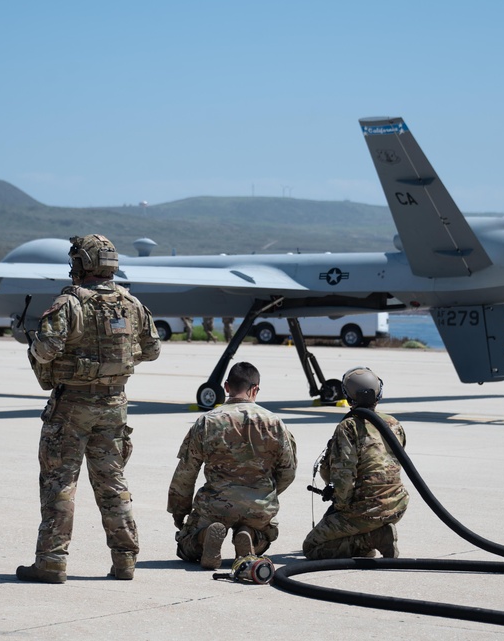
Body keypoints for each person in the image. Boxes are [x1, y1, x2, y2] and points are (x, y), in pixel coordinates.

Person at [17, 234, 161, 584]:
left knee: (60, 482)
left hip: (72, 407)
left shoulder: (70, 303)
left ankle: (52, 561)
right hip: (114, 405)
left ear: (81, 264)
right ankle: (125, 561)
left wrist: (35, 346)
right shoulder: (131, 303)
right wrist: (114, 363)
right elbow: (152, 349)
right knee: (112, 482)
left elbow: (47, 349)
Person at [167, 361, 297, 570]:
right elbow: (288, 471)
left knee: (186, 547)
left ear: (226, 387)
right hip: (258, 506)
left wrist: (179, 511)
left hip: (216, 506)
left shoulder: (207, 422)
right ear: (255, 389)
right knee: (264, 538)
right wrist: (265, 494)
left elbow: (186, 472)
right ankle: (250, 535)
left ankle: (204, 538)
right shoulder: (275, 423)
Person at [302, 367, 409, 560]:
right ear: (379, 393)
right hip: (396, 506)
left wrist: (340, 508)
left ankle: (372, 538)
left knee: (312, 547)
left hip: (366, 510)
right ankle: (373, 534)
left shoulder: (348, 426)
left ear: (348, 397)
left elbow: (344, 477)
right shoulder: (393, 423)